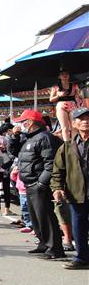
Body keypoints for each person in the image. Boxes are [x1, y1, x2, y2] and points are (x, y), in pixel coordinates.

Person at [12, 109, 65, 259]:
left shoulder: (44, 138)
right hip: (30, 183)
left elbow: (50, 163)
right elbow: (14, 152)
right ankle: (43, 243)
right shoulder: (29, 138)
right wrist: (14, 137)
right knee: (36, 217)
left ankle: (54, 248)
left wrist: (41, 183)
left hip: (38, 183)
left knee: (46, 216)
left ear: (29, 122)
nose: (20, 125)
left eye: (22, 122)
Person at [52, 107, 89, 269]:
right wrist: (57, 187)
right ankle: (82, 258)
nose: (86, 121)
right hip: (76, 193)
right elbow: (58, 170)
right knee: (79, 227)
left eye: (88, 118)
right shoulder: (67, 147)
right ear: (74, 124)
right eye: (81, 119)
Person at [50, 70, 84, 142]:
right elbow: (51, 99)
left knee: (74, 126)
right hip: (61, 106)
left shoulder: (74, 86)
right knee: (64, 127)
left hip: (73, 106)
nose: (65, 76)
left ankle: (75, 143)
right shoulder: (55, 87)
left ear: (69, 76)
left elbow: (79, 96)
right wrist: (58, 95)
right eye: (62, 74)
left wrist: (79, 96)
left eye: (66, 74)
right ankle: (67, 145)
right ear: (59, 76)